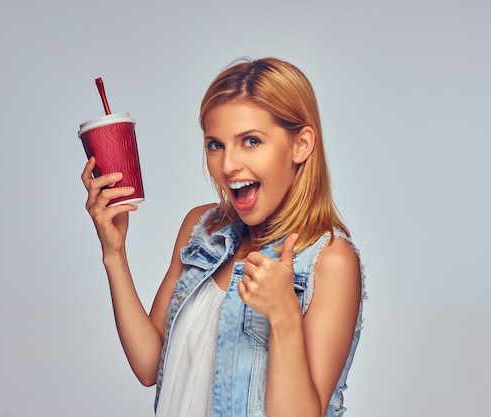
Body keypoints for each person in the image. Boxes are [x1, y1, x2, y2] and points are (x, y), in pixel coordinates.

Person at [81, 57, 366, 417]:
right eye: (216, 144)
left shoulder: (329, 261)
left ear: (301, 144)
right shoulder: (201, 228)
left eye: (250, 141)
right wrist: (114, 253)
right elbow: (150, 365)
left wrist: (284, 316)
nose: (228, 164)